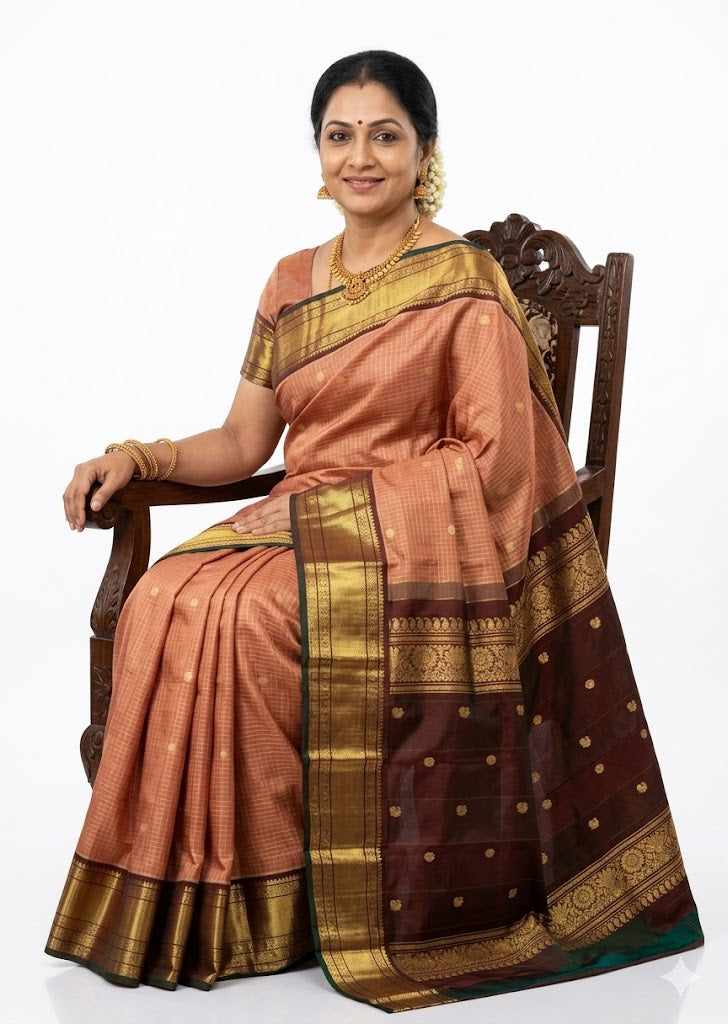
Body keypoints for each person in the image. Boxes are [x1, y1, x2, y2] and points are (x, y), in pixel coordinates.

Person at [47, 51, 703, 1011]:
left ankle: (290, 902)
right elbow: (241, 443)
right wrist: (137, 458)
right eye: (341, 134)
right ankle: (212, 892)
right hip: (297, 519)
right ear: (318, 152)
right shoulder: (286, 282)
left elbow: (497, 464)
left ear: (423, 151)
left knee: (254, 613)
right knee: (167, 596)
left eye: (385, 135)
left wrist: (356, 510)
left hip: (410, 542)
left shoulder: (465, 281)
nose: (362, 156)